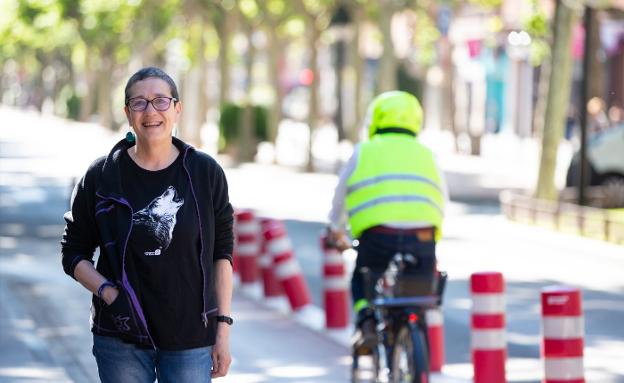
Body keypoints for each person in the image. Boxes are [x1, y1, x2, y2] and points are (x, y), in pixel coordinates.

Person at [61, 67, 234, 382]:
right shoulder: (102, 176)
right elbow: (73, 253)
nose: (150, 111)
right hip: (121, 335)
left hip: (190, 337)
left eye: (160, 101)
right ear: (127, 114)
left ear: (177, 109)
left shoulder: (204, 173)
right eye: (139, 103)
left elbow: (222, 254)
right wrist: (109, 294)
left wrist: (222, 329)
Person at [327, 90, 447, 350]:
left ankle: (366, 320)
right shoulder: (427, 154)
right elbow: (441, 199)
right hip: (422, 237)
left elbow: (341, 196)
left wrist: (335, 229)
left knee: (362, 278)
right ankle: (416, 344)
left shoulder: (364, 151)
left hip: (377, 237)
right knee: (418, 296)